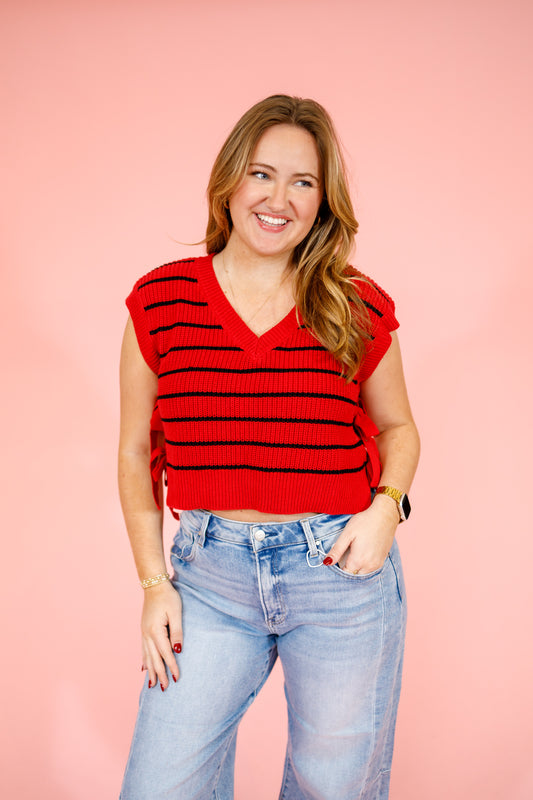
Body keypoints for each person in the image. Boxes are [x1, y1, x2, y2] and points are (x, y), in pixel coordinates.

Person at [118, 94, 420, 800]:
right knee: (160, 786)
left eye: (303, 182)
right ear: (228, 182)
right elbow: (137, 451)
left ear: (322, 202)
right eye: (261, 174)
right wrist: (153, 584)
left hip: (340, 575)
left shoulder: (355, 303)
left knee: (332, 788)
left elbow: (399, 429)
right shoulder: (159, 302)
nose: (277, 198)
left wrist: (385, 510)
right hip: (209, 576)